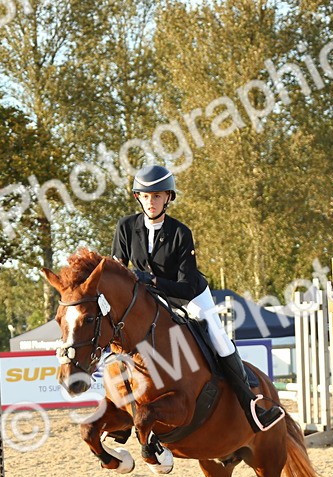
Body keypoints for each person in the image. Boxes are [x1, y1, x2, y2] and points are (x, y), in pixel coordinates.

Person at [112, 165, 284, 431]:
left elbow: (187, 285)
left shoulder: (180, 233)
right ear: (138, 197)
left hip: (187, 296)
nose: (151, 201)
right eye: (146, 196)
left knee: (218, 336)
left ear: (168, 198)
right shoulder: (125, 227)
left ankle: (251, 405)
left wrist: (153, 281)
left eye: (157, 196)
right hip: (148, 300)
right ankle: (121, 414)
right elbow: (118, 272)